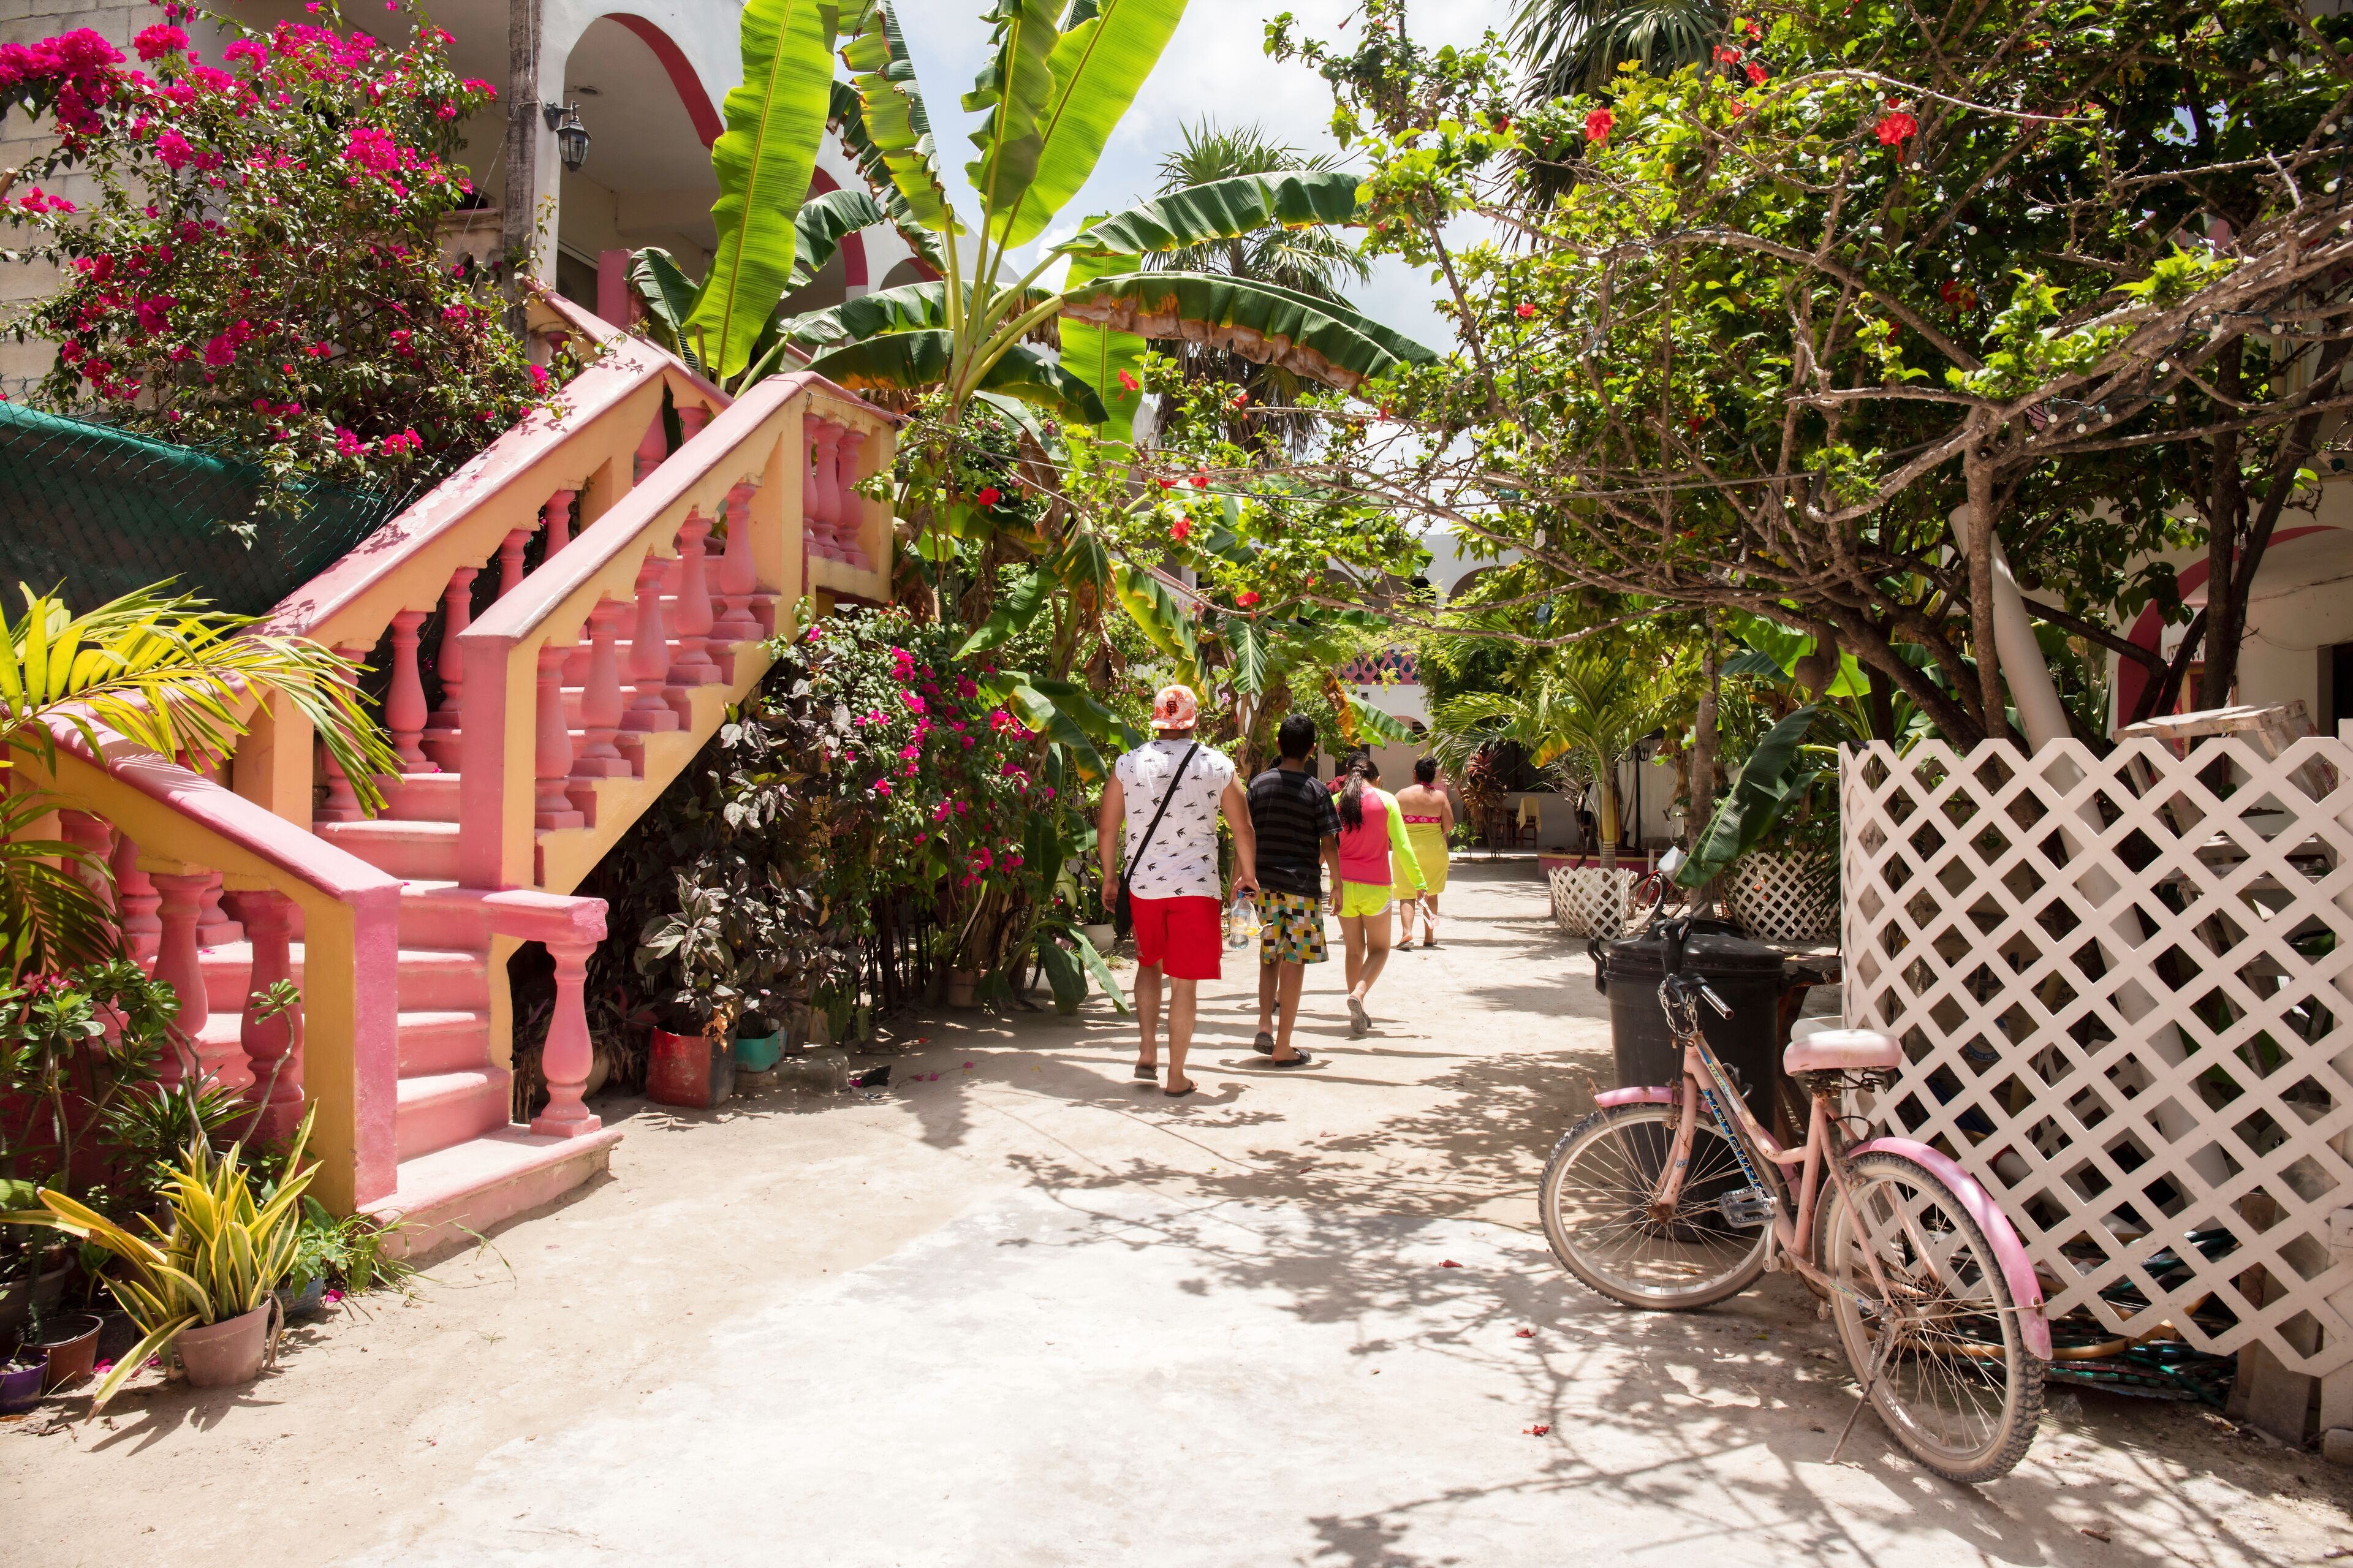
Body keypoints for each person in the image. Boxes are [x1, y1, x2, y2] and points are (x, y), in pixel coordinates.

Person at [1097, 683, 1256, 1097]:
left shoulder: (1128, 764)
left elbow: (1107, 826)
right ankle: (1176, 1075)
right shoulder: (1216, 764)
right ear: (1194, 720)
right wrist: (1248, 876)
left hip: (1145, 887)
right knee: (1184, 982)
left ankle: (1147, 1051)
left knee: (1148, 964)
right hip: (1196, 888)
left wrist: (1111, 876)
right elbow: (1243, 828)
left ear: (1155, 718)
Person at [1245, 714, 1342, 1067]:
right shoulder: (1317, 791)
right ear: (1312, 750)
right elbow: (1329, 843)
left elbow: (1246, 836)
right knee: (1296, 959)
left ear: (1278, 744)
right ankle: (1283, 1045)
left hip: (1266, 887)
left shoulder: (1258, 786)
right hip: (1302, 887)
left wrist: (1241, 879)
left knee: (1269, 954)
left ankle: (1264, 1025)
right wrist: (1338, 883)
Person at [1332, 751, 1423, 1038]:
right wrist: (1419, 882)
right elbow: (1403, 847)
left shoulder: (1336, 802)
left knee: (1353, 951)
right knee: (1381, 949)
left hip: (1343, 887)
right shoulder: (1387, 801)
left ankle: (1355, 1008)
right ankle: (1359, 995)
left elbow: (1324, 846)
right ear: (1378, 779)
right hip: (1376, 886)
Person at [1392, 757, 1456, 948]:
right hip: (1434, 851)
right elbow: (1450, 825)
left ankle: (1407, 933)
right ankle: (1429, 937)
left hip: (1407, 851)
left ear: (1415, 774)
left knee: (1407, 893)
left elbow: (1390, 825)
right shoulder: (1440, 797)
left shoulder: (1401, 795)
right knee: (1432, 894)